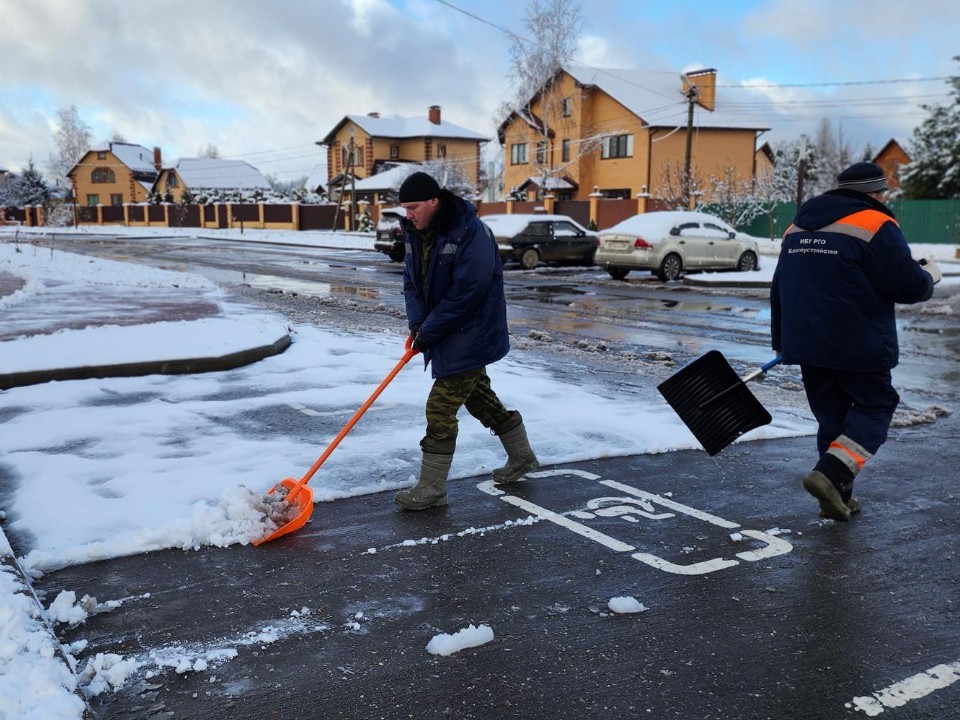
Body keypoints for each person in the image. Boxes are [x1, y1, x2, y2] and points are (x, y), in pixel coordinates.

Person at [770, 161, 941, 521]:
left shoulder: (796, 226)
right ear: (876, 193)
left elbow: (779, 286)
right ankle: (830, 475)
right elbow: (907, 285)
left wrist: (783, 341)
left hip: (807, 343)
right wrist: (928, 277)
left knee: (832, 416)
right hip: (858, 342)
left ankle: (836, 498)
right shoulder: (876, 223)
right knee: (876, 406)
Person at [393, 171, 539, 510]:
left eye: (414, 207)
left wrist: (428, 331)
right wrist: (418, 324)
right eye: (405, 208)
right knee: (480, 399)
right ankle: (522, 456)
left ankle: (432, 488)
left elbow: (468, 293)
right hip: (443, 330)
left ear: (434, 201)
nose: (409, 214)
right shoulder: (416, 233)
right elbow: (411, 283)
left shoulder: (471, 233)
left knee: (441, 407)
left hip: (473, 332)